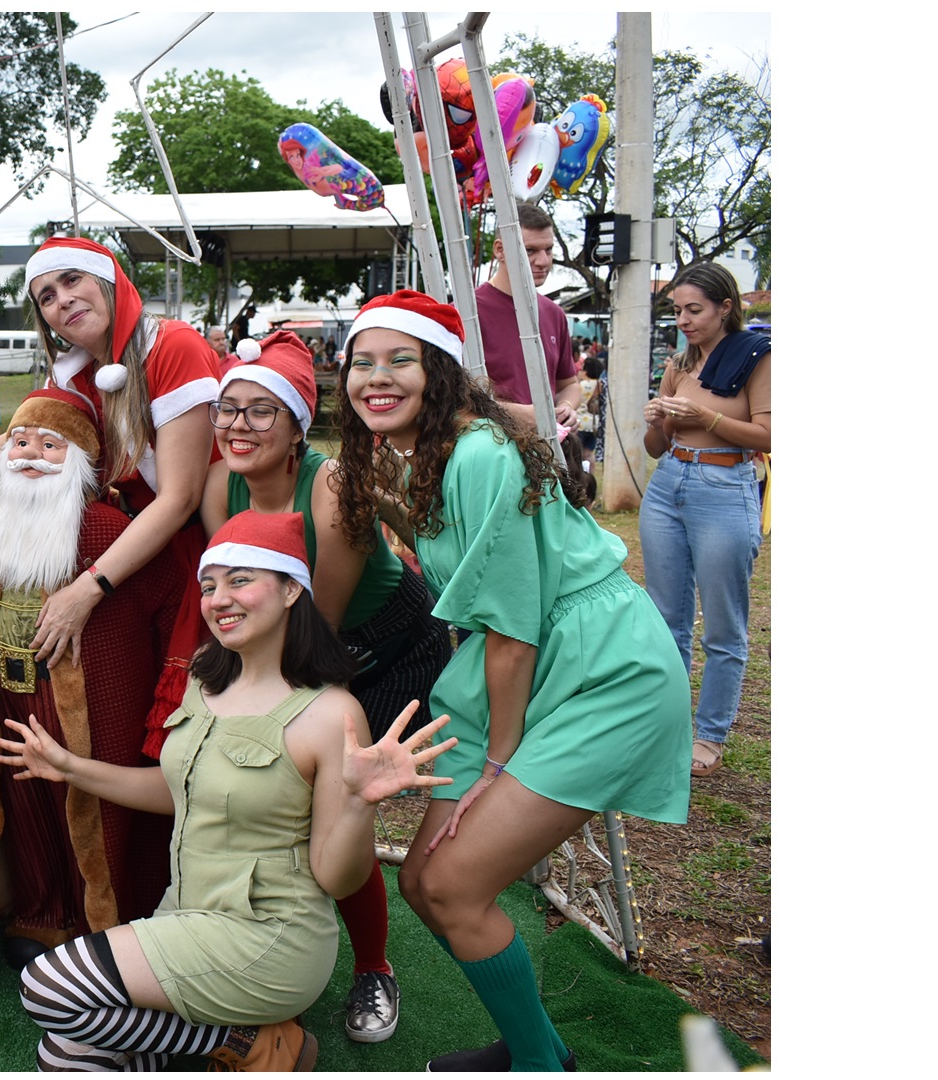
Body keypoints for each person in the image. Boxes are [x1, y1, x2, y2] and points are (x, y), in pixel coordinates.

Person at [333, 290, 691, 1071]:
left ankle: (538, 1065)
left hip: (601, 671)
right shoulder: (421, 456)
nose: (376, 378)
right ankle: (538, 1051)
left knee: (455, 886)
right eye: (362, 362)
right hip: (529, 659)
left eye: (400, 359)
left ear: (439, 371)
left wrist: (496, 765)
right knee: (423, 885)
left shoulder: (478, 455)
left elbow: (511, 631)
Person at [1, 511, 456, 1071]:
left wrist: (361, 804)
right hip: (185, 918)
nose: (218, 599)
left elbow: (336, 877)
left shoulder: (331, 713)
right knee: (65, 1051)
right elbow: (178, 795)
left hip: (268, 943)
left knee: (48, 989)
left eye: (241, 580)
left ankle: (254, 1044)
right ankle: (222, 1053)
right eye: (209, 585)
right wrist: (70, 767)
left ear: (292, 589)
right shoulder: (202, 677)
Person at [194, 329, 452, 1044]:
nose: (238, 427)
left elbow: (324, 626)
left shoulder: (331, 485)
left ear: (298, 421)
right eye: (227, 410)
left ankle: (375, 966)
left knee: (335, 803)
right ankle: (272, 949)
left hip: (384, 647)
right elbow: (237, 596)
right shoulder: (221, 482)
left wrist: (270, 712)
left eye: (260, 411)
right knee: (284, 795)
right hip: (300, 643)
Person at [0, 236, 220, 669]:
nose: (63, 300)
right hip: (126, 549)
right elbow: (14, 440)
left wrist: (85, 591)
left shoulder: (172, 346)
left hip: (192, 550)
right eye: (47, 296)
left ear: (107, 281)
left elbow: (180, 498)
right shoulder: (74, 372)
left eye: (72, 279)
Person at [0, 389, 180, 988]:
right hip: (8, 693)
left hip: (83, 707)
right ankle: (35, 910)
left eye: (50, 446)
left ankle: (87, 921)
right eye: (21, 443)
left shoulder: (111, 531)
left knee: (79, 801)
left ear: (78, 460)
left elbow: (165, 600)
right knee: (23, 802)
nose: (31, 456)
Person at [640, 262, 771, 779]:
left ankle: (710, 733)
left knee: (723, 625)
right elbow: (657, 448)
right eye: (677, 310)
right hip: (669, 483)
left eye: (694, 310)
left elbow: (768, 435)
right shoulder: (680, 363)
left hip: (725, 486)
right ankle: (666, 725)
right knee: (666, 619)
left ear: (725, 307)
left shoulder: (758, 359)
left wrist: (708, 419)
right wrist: (660, 422)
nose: (684, 320)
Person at [473, 203, 579, 436]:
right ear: (500, 250)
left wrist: (566, 408)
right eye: (530, 250)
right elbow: (451, 397)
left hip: (548, 451)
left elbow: (568, 384)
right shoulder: (468, 312)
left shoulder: (554, 313)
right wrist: (520, 413)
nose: (543, 261)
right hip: (491, 450)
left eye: (548, 250)